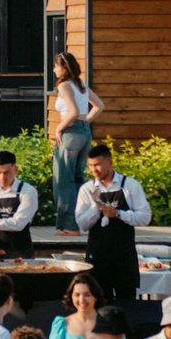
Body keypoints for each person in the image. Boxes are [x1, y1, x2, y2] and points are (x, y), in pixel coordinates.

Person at [72, 143, 149, 305]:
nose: (94, 170)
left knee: (128, 304)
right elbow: (82, 225)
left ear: (110, 163)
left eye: (98, 165)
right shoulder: (86, 189)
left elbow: (145, 217)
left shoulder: (130, 186)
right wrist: (96, 208)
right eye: (91, 166)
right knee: (100, 304)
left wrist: (119, 214)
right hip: (98, 255)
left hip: (124, 254)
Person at [48, 53, 101, 228]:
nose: (54, 69)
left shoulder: (64, 85)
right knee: (79, 178)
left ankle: (67, 226)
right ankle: (81, 221)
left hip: (70, 133)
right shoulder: (81, 84)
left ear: (64, 67)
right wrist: (85, 123)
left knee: (63, 179)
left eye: (56, 66)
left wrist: (59, 128)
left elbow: (73, 112)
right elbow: (99, 106)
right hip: (85, 133)